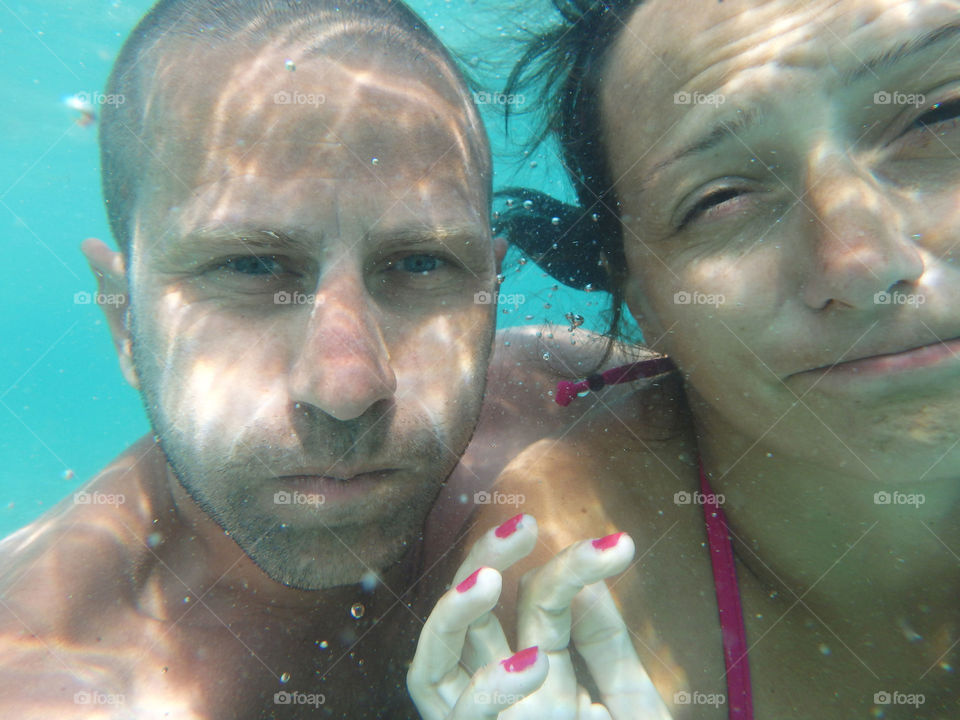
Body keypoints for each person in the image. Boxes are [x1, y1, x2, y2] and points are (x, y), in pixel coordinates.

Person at [0, 1, 645, 717]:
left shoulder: (587, 397)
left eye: (421, 264)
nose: (348, 386)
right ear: (125, 322)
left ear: (490, 298)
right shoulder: (49, 685)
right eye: (250, 266)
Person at [417, 0, 960, 718]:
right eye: (721, 199)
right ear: (644, 300)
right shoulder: (573, 571)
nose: (863, 261)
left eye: (937, 119)